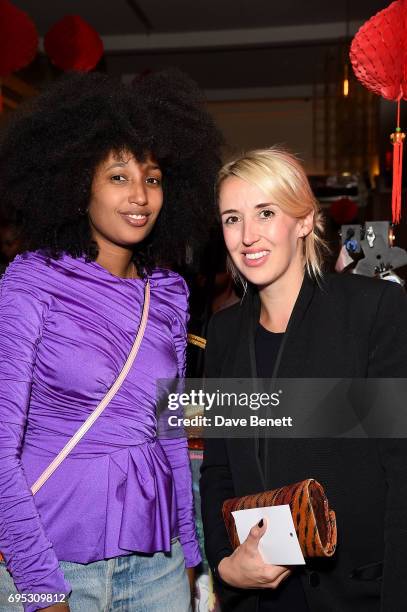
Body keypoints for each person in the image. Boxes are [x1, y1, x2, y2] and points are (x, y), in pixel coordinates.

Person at [0, 70, 222, 612]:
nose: (141, 195)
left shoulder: (168, 294)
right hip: (50, 558)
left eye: (153, 177)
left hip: (158, 563)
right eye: (119, 176)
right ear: (80, 186)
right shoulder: (31, 281)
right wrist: (37, 584)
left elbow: (168, 434)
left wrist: (192, 562)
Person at [200, 147, 407, 612]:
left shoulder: (373, 311)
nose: (247, 236)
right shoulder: (226, 332)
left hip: (356, 595)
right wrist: (226, 562)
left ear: (304, 222)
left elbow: (401, 471)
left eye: (266, 213)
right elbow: (218, 469)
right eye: (232, 219)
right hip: (257, 598)